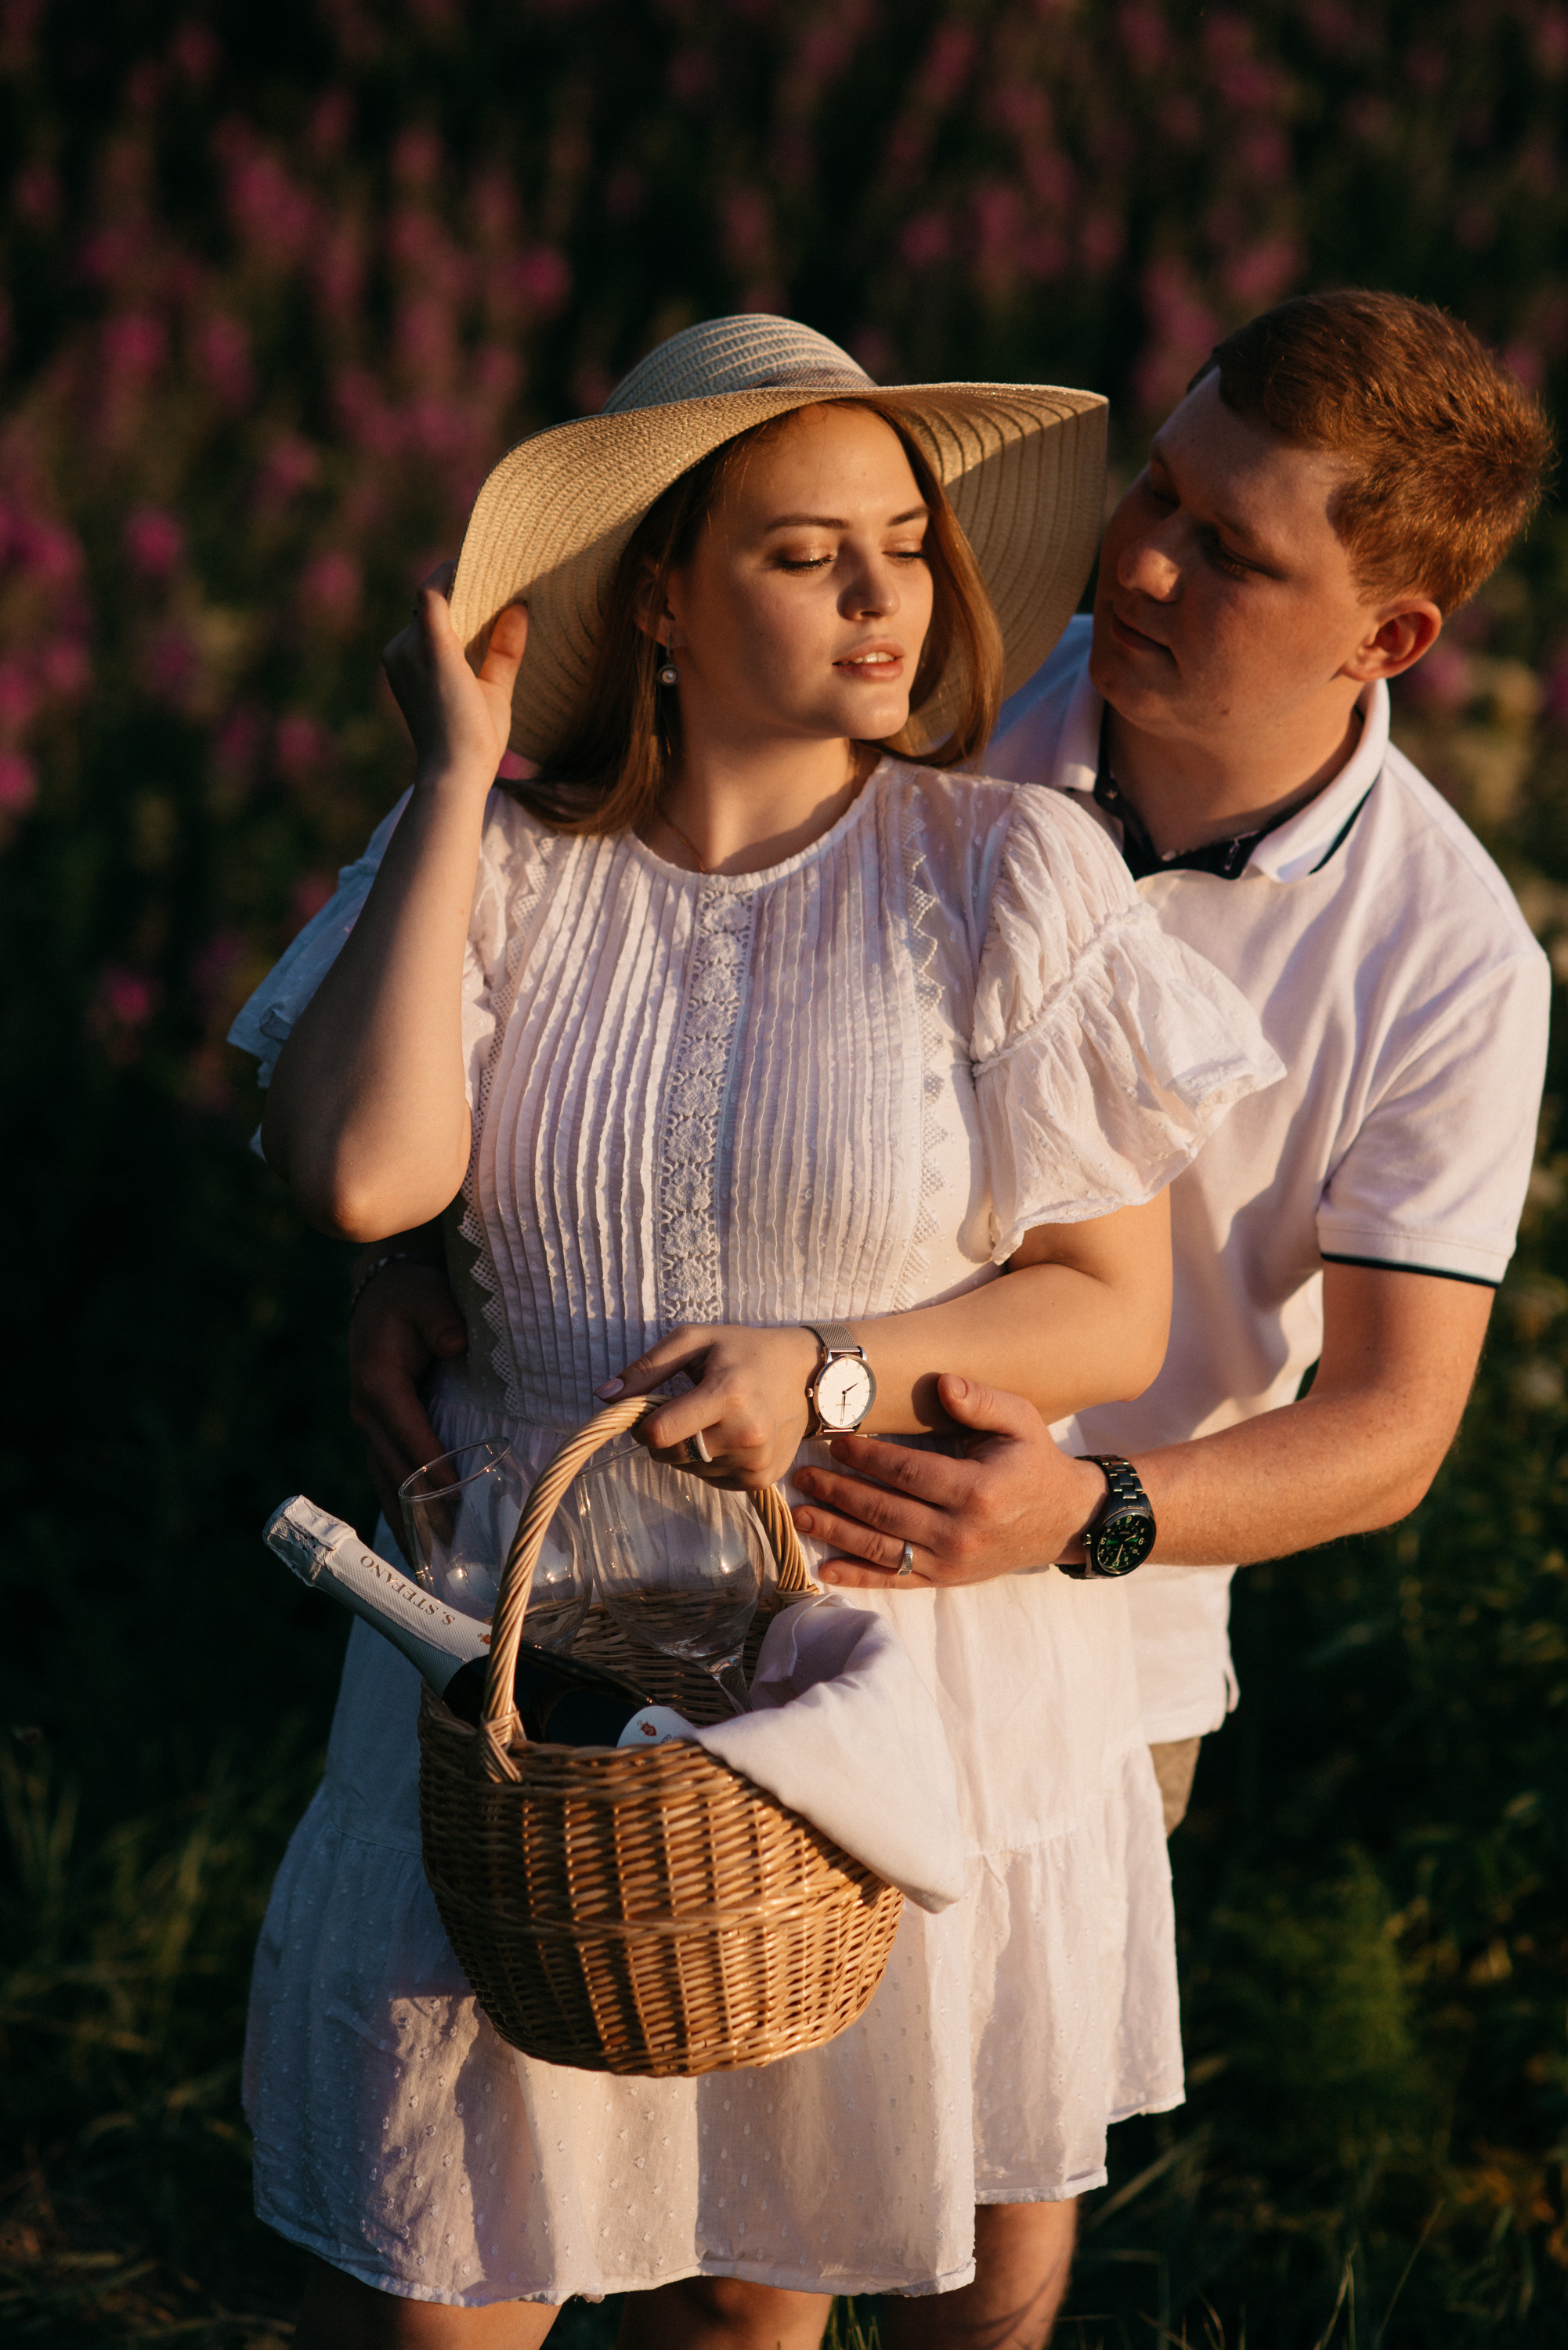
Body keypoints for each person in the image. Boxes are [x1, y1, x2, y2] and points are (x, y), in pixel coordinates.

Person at [231, 316, 1278, 2349]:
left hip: (859, 1672)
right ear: (662, 603)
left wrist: (832, 1365)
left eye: (904, 541)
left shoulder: (1002, 877)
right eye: (811, 555)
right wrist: (457, 782)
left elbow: (1104, 1302)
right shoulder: (504, 873)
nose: (890, 596)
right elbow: (361, 1184)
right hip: (526, 1678)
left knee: (743, 2303)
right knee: (444, 2286)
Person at [773, 290, 1555, 1840]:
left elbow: (1393, 1425)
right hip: (742, 1581)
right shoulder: (933, 707)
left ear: (1387, 638)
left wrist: (1085, 1515)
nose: (1139, 558)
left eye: (1228, 552)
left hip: (1089, 1675)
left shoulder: (1451, 960)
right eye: (1158, 489)